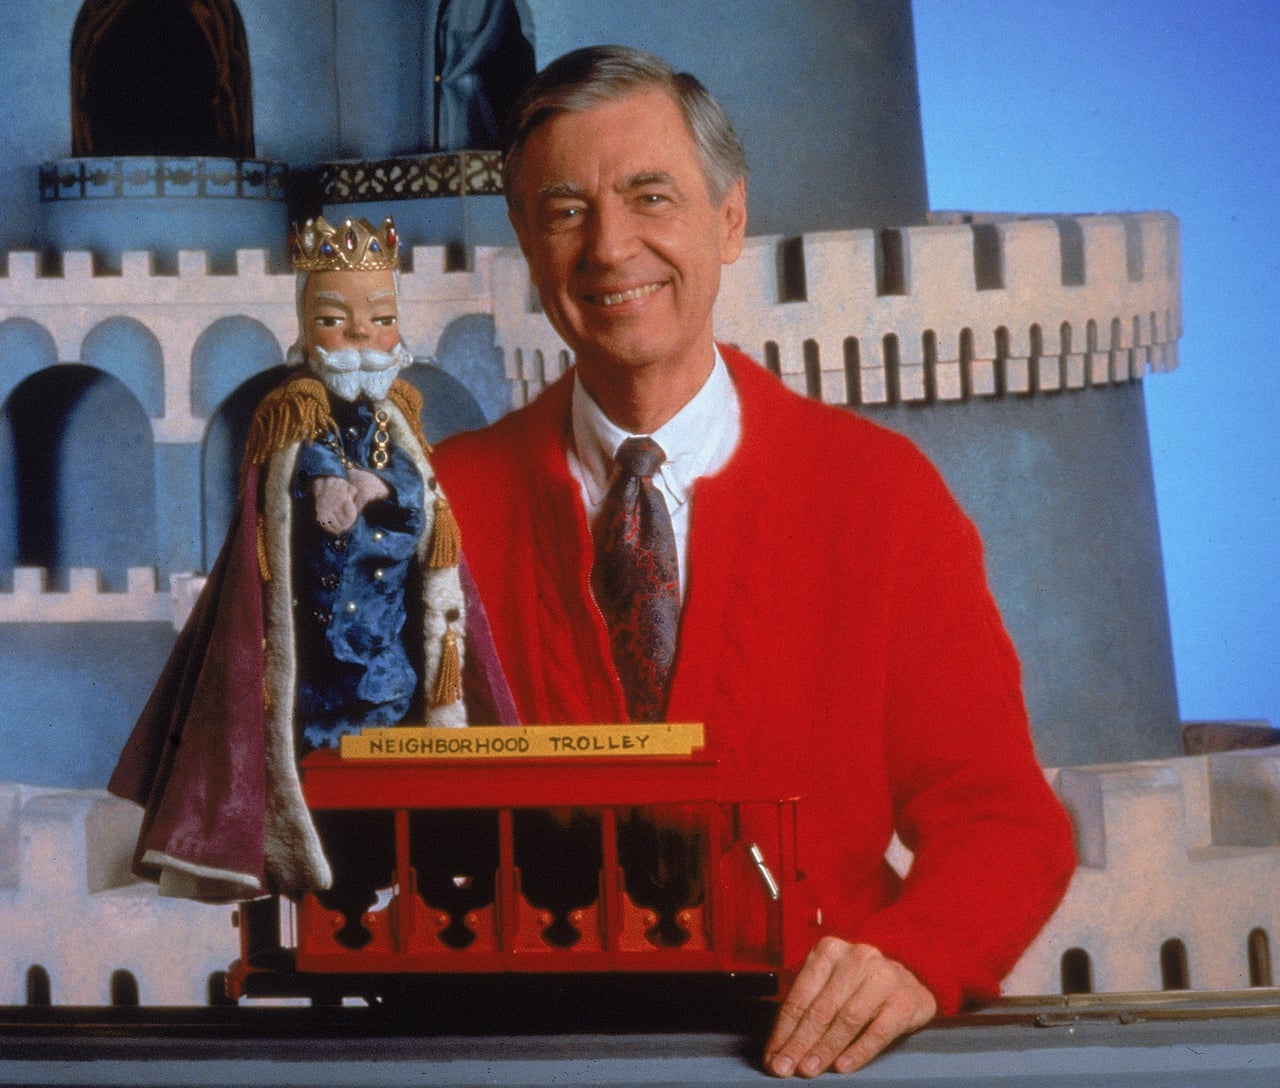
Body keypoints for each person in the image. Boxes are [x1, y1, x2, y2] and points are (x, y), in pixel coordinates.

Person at [432, 47, 1076, 1077]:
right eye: (562, 210)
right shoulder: (437, 505)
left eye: (651, 197)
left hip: (802, 1067)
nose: (609, 247)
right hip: (520, 1061)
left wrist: (915, 953)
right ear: (521, 238)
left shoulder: (878, 494)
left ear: (729, 221)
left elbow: (1002, 820)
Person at [109, 215, 514, 913]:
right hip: (322, 667)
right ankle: (342, 893)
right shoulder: (290, 416)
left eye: (380, 319)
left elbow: (423, 501)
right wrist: (329, 482)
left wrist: (379, 487)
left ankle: (424, 879)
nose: (360, 336)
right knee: (331, 800)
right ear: (306, 328)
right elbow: (286, 491)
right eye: (336, 319)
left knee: (413, 788)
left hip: (394, 663)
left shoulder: (402, 420)